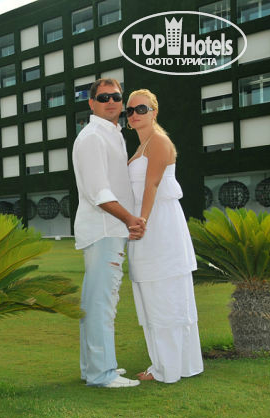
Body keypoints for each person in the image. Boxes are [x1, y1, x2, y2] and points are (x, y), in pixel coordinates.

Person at [125, 89, 204, 383]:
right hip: (146, 225)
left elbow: (153, 185)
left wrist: (142, 220)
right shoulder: (142, 145)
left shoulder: (159, 141)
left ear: (154, 111)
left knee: (165, 295)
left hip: (160, 227)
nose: (134, 114)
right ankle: (165, 364)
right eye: (130, 110)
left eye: (141, 109)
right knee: (153, 297)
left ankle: (169, 368)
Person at [72, 78, 145, 388]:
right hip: (104, 229)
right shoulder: (92, 138)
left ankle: (94, 368)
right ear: (92, 103)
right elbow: (97, 192)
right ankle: (102, 374)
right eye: (103, 98)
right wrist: (130, 219)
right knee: (101, 304)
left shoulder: (112, 134)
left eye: (116, 96)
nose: (111, 102)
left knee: (99, 302)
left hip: (110, 229)